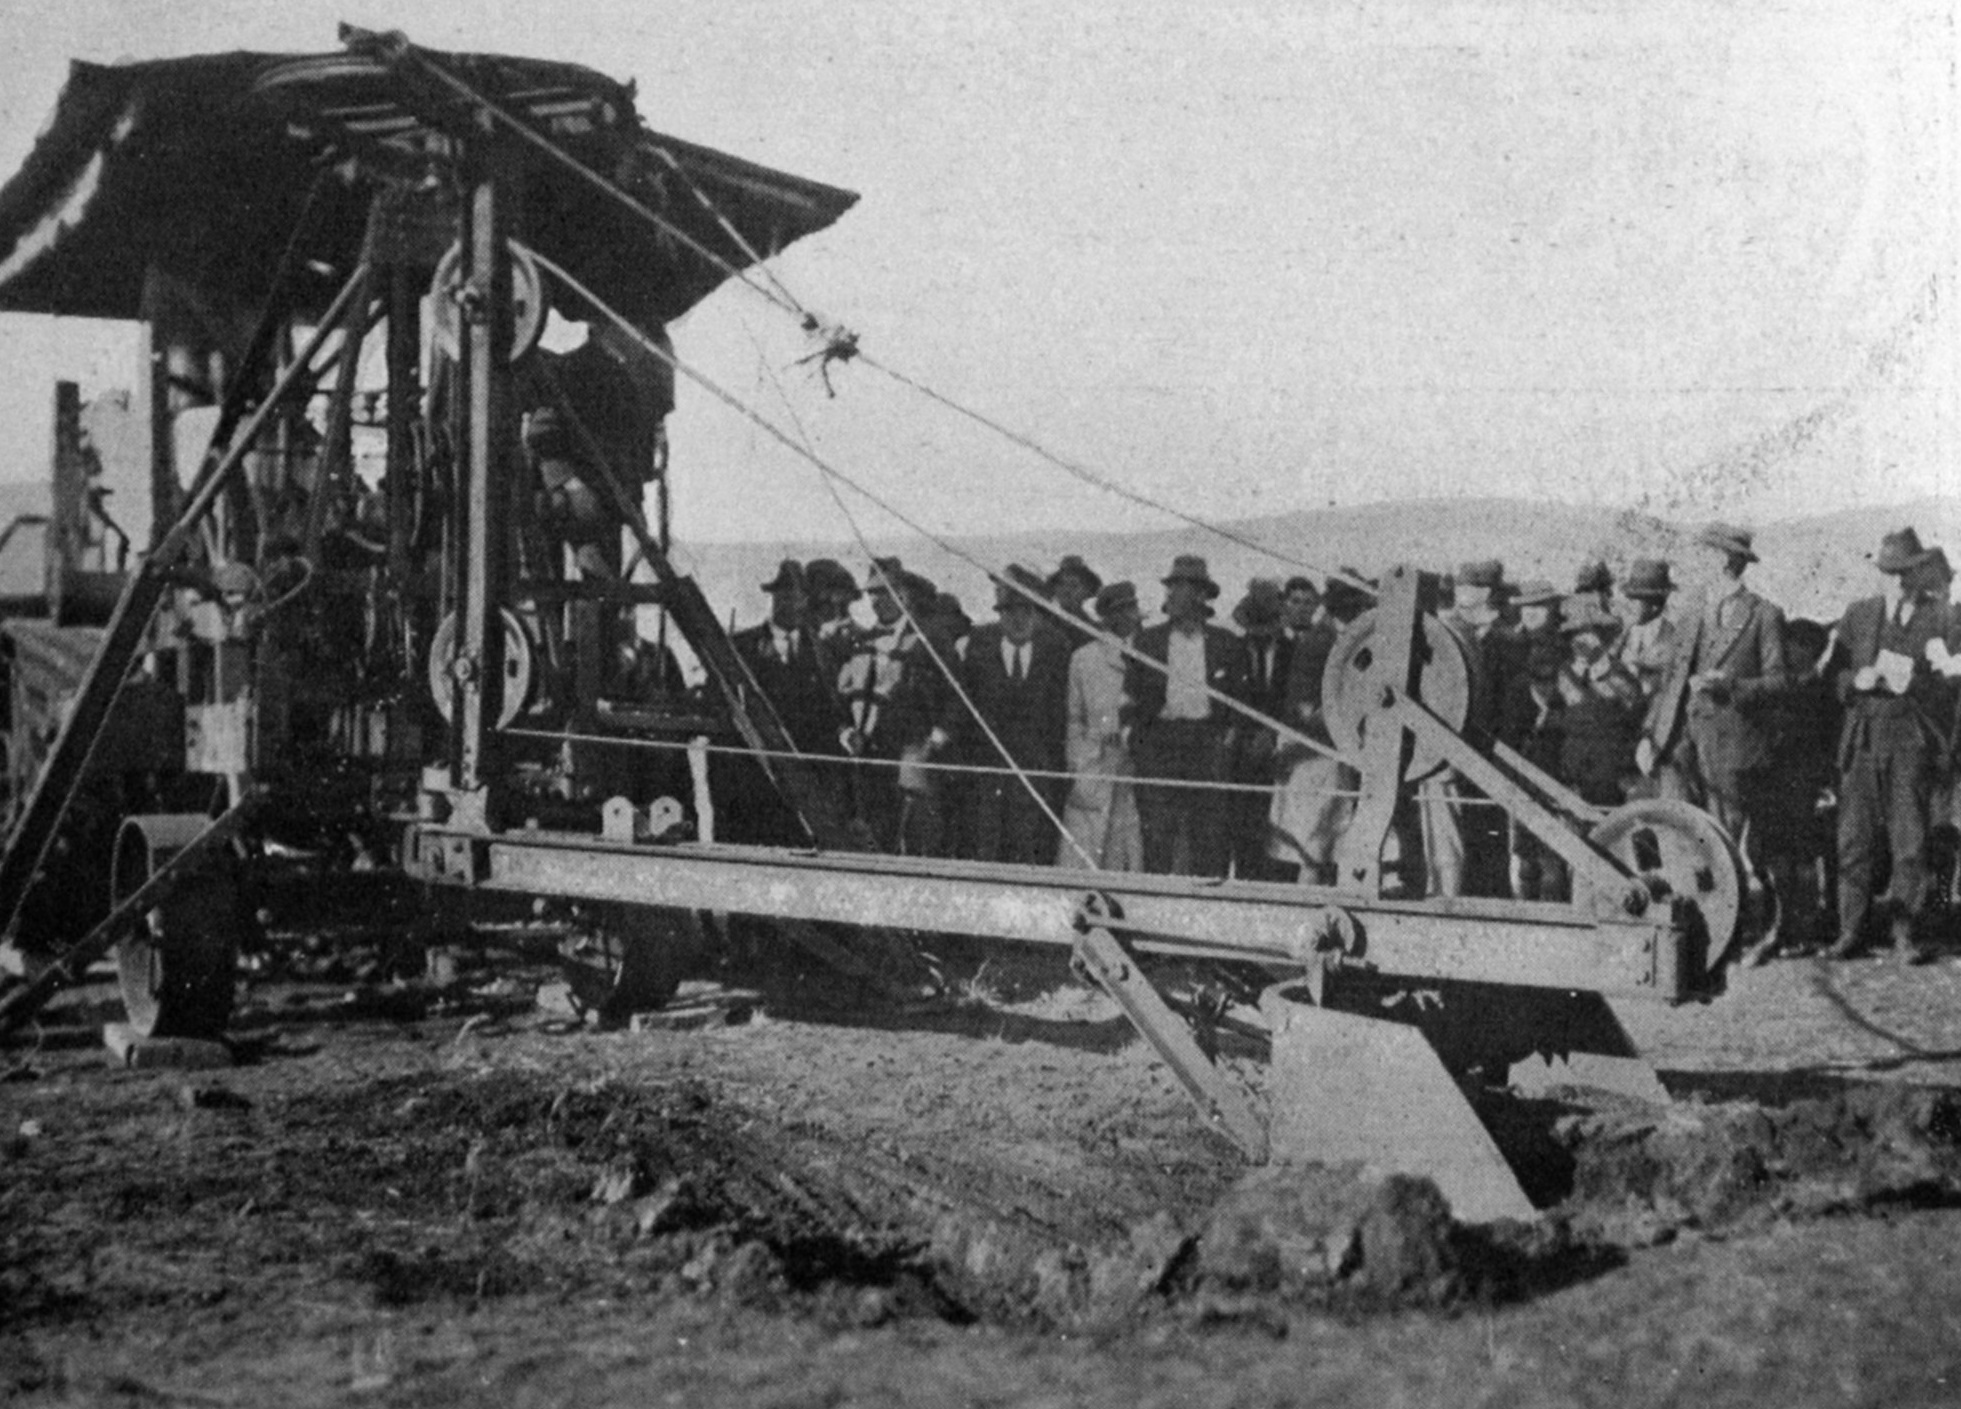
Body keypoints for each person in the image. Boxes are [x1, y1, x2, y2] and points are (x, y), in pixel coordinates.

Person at [1827, 528, 1954, 961]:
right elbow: (1834, 677)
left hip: (1908, 739)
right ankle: (1850, 932)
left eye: (1905, 574)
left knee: (1910, 841)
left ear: (1917, 572)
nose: (1898, 583)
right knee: (1854, 840)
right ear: (1880, 575)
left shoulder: (1940, 618)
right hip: (1862, 737)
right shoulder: (1859, 615)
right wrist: (1855, 681)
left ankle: (1905, 933)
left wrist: (1911, 682)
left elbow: (1950, 685)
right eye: (1889, 574)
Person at [1639, 522, 1787, 888]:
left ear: (1723, 559)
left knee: (1723, 840)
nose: (1695, 562)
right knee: (1676, 828)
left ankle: (1727, 921)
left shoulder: (1763, 614)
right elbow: (1669, 682)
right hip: (1678, 740)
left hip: (1730, 745)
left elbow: (1779, 682)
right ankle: (1685, 912)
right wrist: (1648, 735)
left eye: (1703, 554)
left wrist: (1732, 685)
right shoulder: (1692, 611)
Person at [1125, 554, 1248, 876]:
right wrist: (1137, 741)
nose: (1170, 596)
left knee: (1209, 836)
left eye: (1179, 589)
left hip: (1207, 746)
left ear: (1199, 595)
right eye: (1170, 588)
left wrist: (1227, 740)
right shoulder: (1147, 641)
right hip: (1159, 744)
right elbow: (1129, 698)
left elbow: (1240, 702)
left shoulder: (1226, 644)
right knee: (1157, 835)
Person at [954, 564, 1074, 865]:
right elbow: (965, 701)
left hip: (1036, 766)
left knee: (1029, 842)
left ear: (1036, 613)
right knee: (987, 841)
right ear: (999, 614)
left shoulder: (1056, 646)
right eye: (1009, 611)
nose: (1018, 619)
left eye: (1026, 611)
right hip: (989, 764)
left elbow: (1061, 711)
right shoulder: (980, 642)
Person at [837, 563, 951, 854]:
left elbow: (955, 698)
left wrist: (938, 738)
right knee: (874, 838)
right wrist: (847, 732)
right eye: (872, 594)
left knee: (915, 841)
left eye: (884, 592)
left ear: (904, 595)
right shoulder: (860, 641)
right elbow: (843, 699)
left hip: (912, 758)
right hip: (869, 761)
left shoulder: (929, 639)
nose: (877, 600)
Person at [1268, 573, 1364, 884]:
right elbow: (1305, 708)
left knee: (1324, 838)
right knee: (1313, 841)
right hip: (1313, 753)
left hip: (1328, 751)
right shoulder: (1320, 642)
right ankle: (1306, 910)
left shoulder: (1338, 639)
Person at [1058, 581, 1145, 870]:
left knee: (1126, 844)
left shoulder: (1148, 655)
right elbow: (1074, 717)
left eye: (1132, 608)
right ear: (1108, 617)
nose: (1130, 616)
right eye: (1122, 610)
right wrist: (1078, 762)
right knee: (1086, 841)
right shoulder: (1084, 659)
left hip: (1134, 761)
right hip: (1094, 763)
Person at [1228, 579, 1292, 879]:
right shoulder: (1234, 651)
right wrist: (1245, 736)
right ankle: (1246, 878)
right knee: (1244, 821)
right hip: (1242, 751)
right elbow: (1228, 700)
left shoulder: (1292, 653)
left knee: (1280, 824)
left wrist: (1273, 736)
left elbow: (1292, 700)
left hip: (1281, 751)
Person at [1614, 558, 1678, 709]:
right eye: (1629, 599)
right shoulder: (1628, 631)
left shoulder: (1670, 635)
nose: (1628, 605)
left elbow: (1665, 680)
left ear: (1654, 605)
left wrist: (1639, 663)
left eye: (1635, 600)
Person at [1047, 555, 1103, 650]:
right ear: (1054, 589)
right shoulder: (1045, 622)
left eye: (1074, 585)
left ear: (1086, 591)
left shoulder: (1093, 631)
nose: (1066, 590)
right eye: (1061, 584)